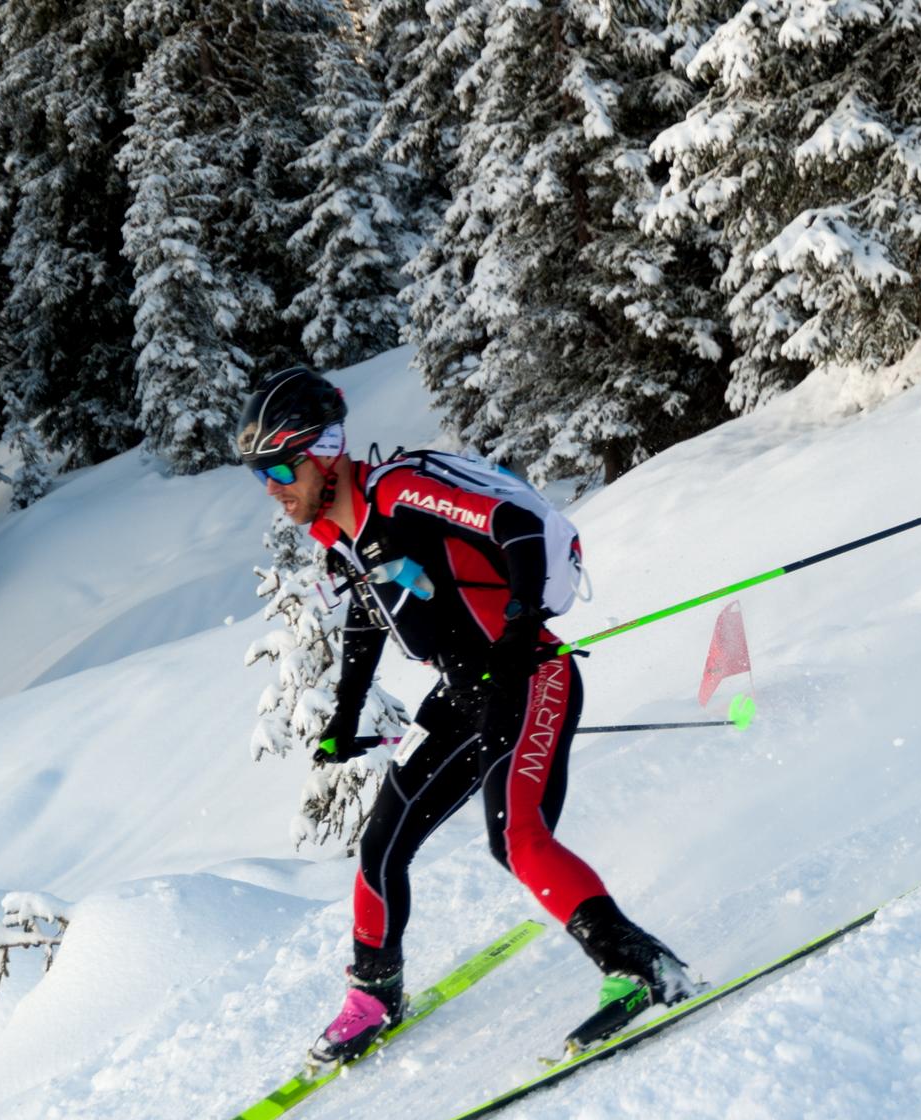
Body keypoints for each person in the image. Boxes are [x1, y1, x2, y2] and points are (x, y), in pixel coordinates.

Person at [236, 366, 696, 1071]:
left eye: (278, 467)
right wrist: (346, 713)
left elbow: (515, 526)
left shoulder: (396, 492)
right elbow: (367, 613)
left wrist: (520, 625)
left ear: (324, 453)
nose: (271, 486)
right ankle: (375, 994)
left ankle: (643, 966)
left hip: (529, 674)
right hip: (459, 695)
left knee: (516, 838)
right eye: (259, 474)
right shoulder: (340, 535)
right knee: (380, 846)